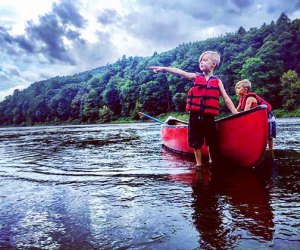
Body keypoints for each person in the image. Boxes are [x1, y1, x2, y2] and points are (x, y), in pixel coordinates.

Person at [149, 51, 238, 167]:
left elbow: (226, 98)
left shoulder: (218, 81)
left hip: (209, 117)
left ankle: (212, 162)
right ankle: (199, 165)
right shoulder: (195, 77)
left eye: (205, 60)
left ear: (214, 64)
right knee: (196, 142)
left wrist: (235, 112)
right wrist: (164, 69)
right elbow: (180, 72)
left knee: (211, 142)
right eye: (200, 60)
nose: (201, 62)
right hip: (195, 117)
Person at [235, 79, 276, 150]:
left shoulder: (249, 98)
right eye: (236, 88)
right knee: (260, 134)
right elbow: (235, 111)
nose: (236, 90)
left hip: (268, 117)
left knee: (269, 136)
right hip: (259, 118)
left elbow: (246, 112)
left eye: (238, 88)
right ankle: (261, 148)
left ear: (245, 89)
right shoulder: (241, 99)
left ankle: (271, 150)